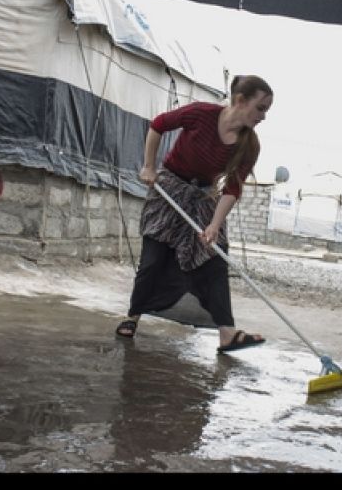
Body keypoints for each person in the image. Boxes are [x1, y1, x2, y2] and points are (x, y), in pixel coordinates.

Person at [115, 75, 273, 353]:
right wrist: (149, 167)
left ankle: (227, 334)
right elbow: (159, 125)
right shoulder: (201, 114)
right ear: (240, 101)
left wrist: (214, 225)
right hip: (169, 190)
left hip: (203, 197)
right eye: (260, 108)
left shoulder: (249, 145)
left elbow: (232, 189)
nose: (263, 116)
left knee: (214, 257)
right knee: (154, 258)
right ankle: (132, 316)